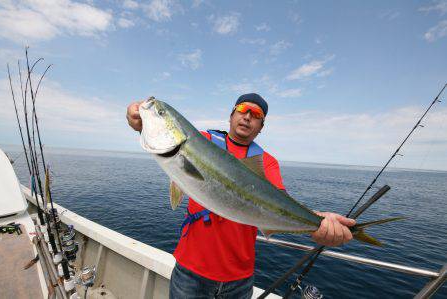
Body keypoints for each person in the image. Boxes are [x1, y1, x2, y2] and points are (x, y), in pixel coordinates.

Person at [126, 93, 356, 298]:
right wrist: (138, 119)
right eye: (242, 110)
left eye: (255, 115)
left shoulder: (267, 162)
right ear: (231, 115)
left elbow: (279, 205)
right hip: (190, 271)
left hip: (239, 279)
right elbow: (150, 128)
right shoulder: (201, 140)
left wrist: (317, 223)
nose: (247, 117)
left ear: (261, 126)